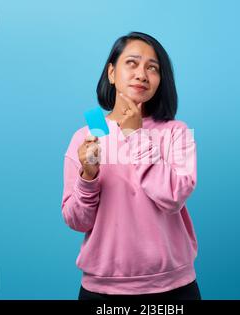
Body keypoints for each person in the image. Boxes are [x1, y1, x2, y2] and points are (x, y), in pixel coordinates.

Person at [61, 31, 200, 300]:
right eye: (132, 63)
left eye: (153, 68)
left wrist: (136, 135)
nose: (142, 74)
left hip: (174, 288)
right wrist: (87, 177)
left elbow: (173, 197)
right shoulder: (90, 132)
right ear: (111, 73)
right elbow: (76, 221)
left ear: (161, 80)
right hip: (102, 291)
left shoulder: (177, 132)